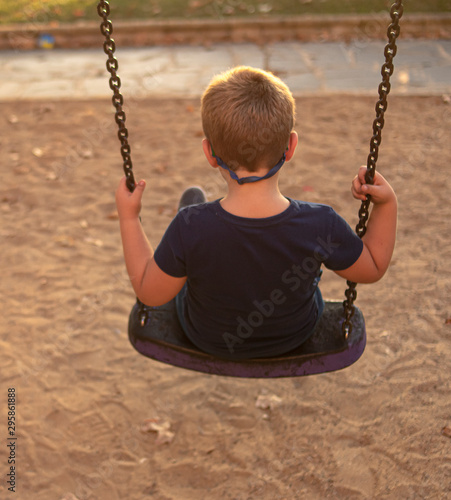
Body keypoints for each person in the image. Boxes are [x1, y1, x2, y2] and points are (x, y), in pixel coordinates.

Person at [115, 66, 397, 360]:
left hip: (208, 337)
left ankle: (191, 244)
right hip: (294, 335)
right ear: (290, 147)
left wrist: (129, 217)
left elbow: (149, 294)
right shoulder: (320, 224)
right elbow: (373, 267)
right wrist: (387, 204)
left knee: (193, 224)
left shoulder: (189, 226)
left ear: (210, 153)